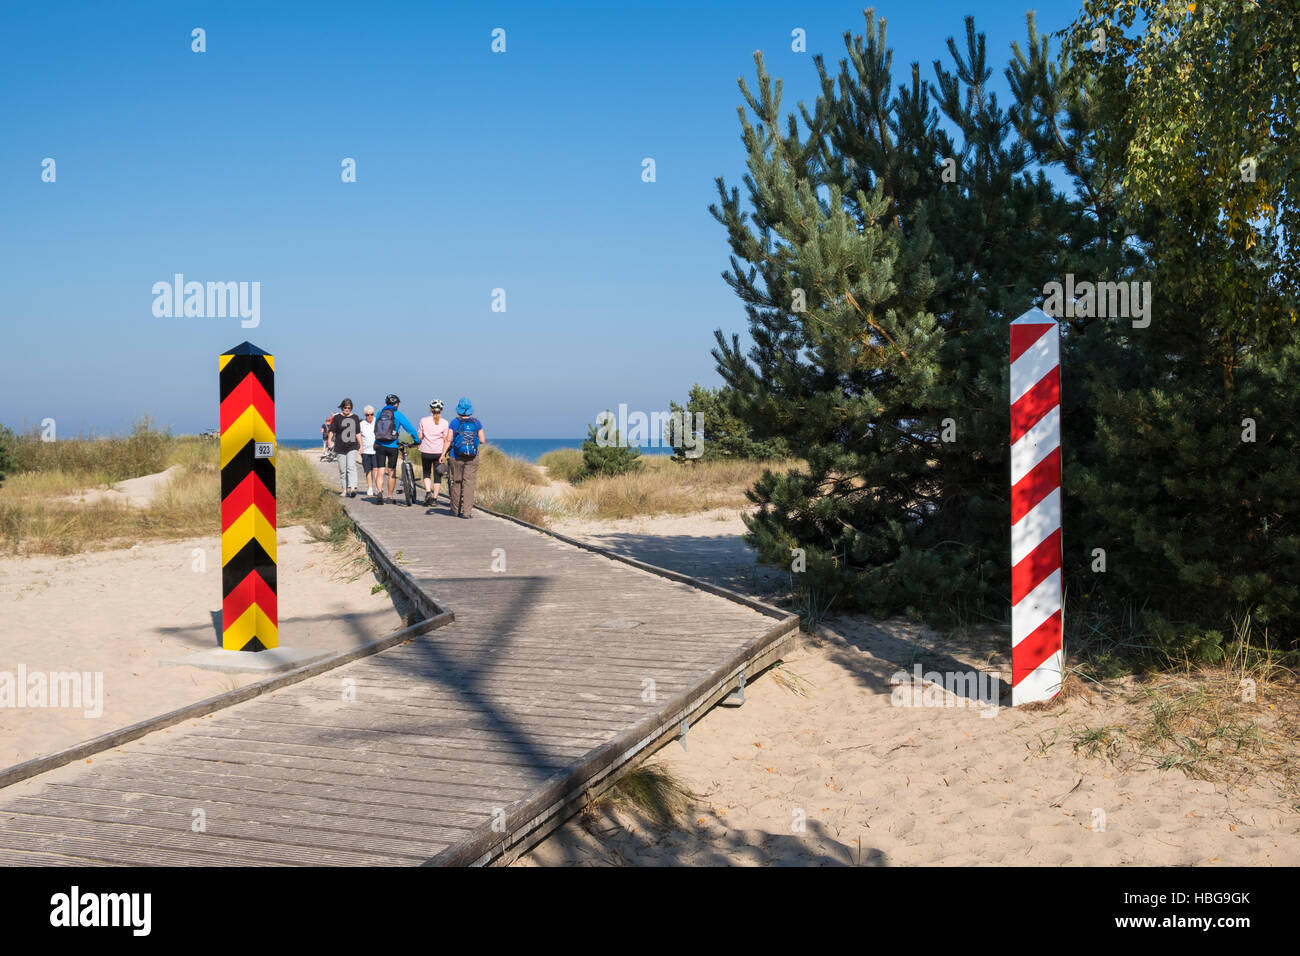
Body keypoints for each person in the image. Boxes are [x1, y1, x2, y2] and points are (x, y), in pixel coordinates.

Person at [372, 393, 420, 505]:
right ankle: (389, 496)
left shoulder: (379, 413)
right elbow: (409, 428)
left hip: (379, 444)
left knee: (380, 470)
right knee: (391, 471)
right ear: (396, 404)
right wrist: (416, 440)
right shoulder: (397, 414)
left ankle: (379, 492)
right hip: (392, 446)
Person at [446, 397, 485, 518]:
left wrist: (442, 454)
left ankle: (455, 510)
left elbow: (448, 439)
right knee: (469, 484)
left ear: (458, 410)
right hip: (472, 456)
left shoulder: (454, 422)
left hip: (456, 456)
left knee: (457, 482)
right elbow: (483, 440)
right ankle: (467, 513)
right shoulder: (476, 422)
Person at [417, 400, 452, 507]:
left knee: (426, 473)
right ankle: (435, 499)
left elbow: (420, 436)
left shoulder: (423, 420)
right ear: (441, 410)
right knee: (438, 476)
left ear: (430, 409)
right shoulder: (445, 423)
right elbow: (446, 439)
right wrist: (444, 453)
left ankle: (428, 492)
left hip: (426, 451)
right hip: (438, 452)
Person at [327, 399, 362, 497]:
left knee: (351, 466)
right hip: (340, 447)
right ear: (342, 407)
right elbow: (331, 430)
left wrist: (361, 445)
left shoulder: (355, 418)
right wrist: (329, 440)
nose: (347, 409)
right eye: (345, 407)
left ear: (351, 408)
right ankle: (344, 490)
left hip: (352, 446)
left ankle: (353, 488)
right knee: (342, 469)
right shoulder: (337, 418)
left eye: (349, 408)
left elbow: (358, 433)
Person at [359, 404, 377, 497]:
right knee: (368, 470)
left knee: (376, 470)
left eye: (371, 414)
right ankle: (370, 487)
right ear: (365, 415)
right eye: (367, 415)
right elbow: (358, 436)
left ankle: (378, 488)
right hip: (366, 450)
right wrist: (360, 446)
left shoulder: (377, 422)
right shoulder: (361, 424)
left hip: (376, 450)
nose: (369, 416)